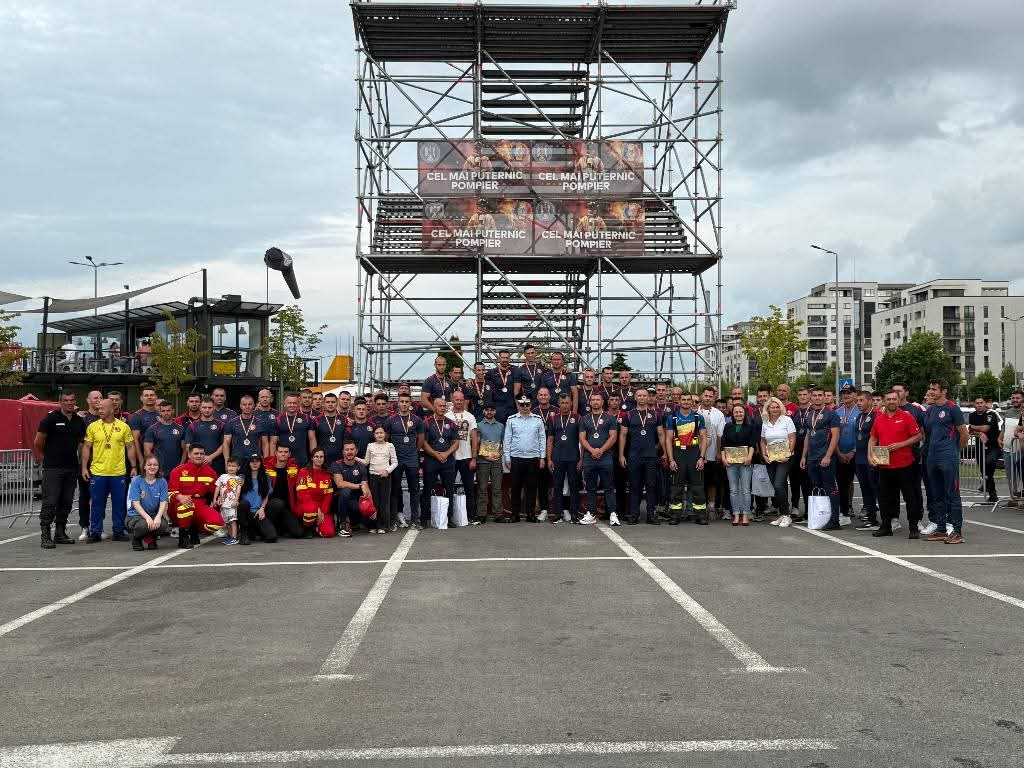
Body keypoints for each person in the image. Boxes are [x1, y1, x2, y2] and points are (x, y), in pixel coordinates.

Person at [81, 398, 139, 543]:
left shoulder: (123, 426)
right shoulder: (93, 426)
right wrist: (84, 467)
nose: (99, 410)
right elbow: (86, 447)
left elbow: (130, 447)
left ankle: (118, 530)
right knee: (96, 504)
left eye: (102, 408)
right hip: (98, 472)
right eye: (98, 408)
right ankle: (95, 532)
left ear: (112, 409)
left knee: (119, 504)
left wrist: (133, 466)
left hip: (118, 472)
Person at [868, 390, 924, 538]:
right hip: (884, 465)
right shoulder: (879, 419)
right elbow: (873, 439)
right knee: (885, 497)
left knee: (909, 497)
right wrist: (870, 455)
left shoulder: (907, 416)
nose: (891, 401)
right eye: (889, 399)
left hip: (904, 464)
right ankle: (886, 527)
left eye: (894, 399)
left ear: (898, 401)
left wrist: (901, 444)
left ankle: (913, 528)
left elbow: (918, 436)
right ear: (884, 401)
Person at [35, 392, 85, 549]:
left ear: (75, 401)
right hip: (53, 468)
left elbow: (81, 444)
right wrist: (47, 456)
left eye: (72, 400)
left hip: (71, 467)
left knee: (66, 501)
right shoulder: (50, 419)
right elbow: (38, 441)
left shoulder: (79, 421)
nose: (69, 403)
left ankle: (60, 533)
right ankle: (45, 535)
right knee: (50, 501)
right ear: (60, 402)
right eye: (66, 400)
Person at [922, 379, 968, 544]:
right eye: (930, 388)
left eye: (934, 389)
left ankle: (957, 531)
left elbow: (964, 434)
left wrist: (954, 451)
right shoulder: (931, 410)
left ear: (944, 391)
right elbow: (927, 433)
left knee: (952, 495)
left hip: (948, 457)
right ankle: (941, 529)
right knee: (937, 494)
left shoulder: (952, 408)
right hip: (932, 457)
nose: (931, 391)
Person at [799, 386, 842, 530]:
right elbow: (807, 435)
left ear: (824, 397)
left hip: (825, 457)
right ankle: (821, 516)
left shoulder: (831, 414)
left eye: (820, 395)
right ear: (811, 397)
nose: (817, 398)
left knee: (830, 488)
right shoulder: (810, 414)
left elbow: (835, 436)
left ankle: (835, 520)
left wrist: (828, 456)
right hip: (812, 458)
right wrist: (804, 456)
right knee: (816, 487)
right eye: (815, 395)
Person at [663, 392, 708, 525]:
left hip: (694, 452)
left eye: (689, 400)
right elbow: (668, 439)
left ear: (692, 402)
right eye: (684, 399)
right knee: (677, 486)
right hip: (678, 453)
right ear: (679, 401)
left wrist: (701, 457)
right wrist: (671, 459)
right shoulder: (672, 418)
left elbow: (704, 438)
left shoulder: (698, 418)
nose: (687, 402)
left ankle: (700, 515)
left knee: (697, 486)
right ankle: (675, 515)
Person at [167, 445, 223, 548]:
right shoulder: (178, 471)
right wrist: (179, 497)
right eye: (196, 453)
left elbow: (217, 490)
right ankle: (183, 537)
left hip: (201, 505)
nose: (199, 456)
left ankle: (194, 529)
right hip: (180, 505)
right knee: (185, 507)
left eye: (202, 454)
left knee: (217, 523)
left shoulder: (210, 472)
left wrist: (219, 496)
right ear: (189, 455)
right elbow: (169, 493)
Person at [502, 394, 546, 523]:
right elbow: (507, 439)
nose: (524, 407)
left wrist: (542, 457)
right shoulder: (511, 420)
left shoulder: (537, 419)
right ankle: (515, 515)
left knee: (531, 488)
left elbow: (542, 439)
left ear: (531, 405)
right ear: (518, 405)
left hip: (533, 458)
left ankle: (530, 514)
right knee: (515, 488)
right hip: (516, 458)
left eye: (527, 404)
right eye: (522, 404)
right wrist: (507, 458)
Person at [619, 388, 661, 525]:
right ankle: (634, 515)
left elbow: (661, 434)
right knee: (634, 486)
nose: (642, 398)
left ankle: (651, 515)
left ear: (648, 397)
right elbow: (623, 435)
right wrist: (621, 455)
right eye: (639, 395)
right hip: (634, 456)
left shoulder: (655, 414)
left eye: (644, 395)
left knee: (651, 486)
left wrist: (660, 450)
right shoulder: (628, 415)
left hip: (651, 457)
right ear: (635, 398)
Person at [384, 393, 425, 528]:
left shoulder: (417, 420)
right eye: (402, 401)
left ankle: (415, 520)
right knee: (395, 490)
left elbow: (421, 439)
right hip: (396, 460)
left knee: (414, 490)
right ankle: (394, 519)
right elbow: (386, 439)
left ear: (410, 403)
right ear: (398, 403)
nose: (404, 404)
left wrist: (414, 451)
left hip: (412, 459)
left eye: (407, 401)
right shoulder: (391, 420)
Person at [420, 396, 459, 529]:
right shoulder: (426, 423)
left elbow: (456, 443)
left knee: (449, 489)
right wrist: (436, 454)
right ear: (434, 407)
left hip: (448, 460)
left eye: (444, 406)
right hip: (431, 460)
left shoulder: (451, 423)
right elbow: (424, 443)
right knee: (427, 489)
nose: (442, 408)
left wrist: (446, 454)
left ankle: (449, 517)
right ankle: (424, 518)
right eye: (440, 406)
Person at [579, 392, 618, 525]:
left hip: (605, 457)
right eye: (593, 400)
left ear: (602, 402)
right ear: (590, 402)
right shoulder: (584, 419)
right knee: (590, 487)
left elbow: (613, 437)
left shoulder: (610, 418)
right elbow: (582, 438)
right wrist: (592, 450)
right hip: (589, 457)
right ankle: (591, 513)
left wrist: (601, 450)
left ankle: (613, 514)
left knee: (609, 487)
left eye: (598, 400)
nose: (595, 402)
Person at [761, 396, 797, 527]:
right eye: (772, 407)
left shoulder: (787, 420)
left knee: (778, 484)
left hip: (785, 458)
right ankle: (782, 514)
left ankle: (786, 515)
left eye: (777, 407)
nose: (775, 409)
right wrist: (764, 454)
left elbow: (792, 437)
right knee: (777, 485)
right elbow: (763, 441)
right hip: (771, 458)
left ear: (781, 408)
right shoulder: (765, 422)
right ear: (768, 409)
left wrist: (788, 454)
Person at [546, 393, 581, 524]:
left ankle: (574, 514)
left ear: (571, 403)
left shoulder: (578, 418)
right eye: (562, 403)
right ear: (558, 404)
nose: (565, 405)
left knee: (574, 486)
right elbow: (550, 440)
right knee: (558, 486)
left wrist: (581, 459)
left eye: (567, 403)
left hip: (573, 457)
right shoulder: (553, 419)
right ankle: (558, 514)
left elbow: (582, 440)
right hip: (557, 458)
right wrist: (549, 459)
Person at [721, 404, 757, 526]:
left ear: (745, 413)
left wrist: (749, 458)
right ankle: (736, 514)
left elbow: (752, 444)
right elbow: (723, 444)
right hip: (731, 463)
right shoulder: (728, 426)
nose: (738, 414)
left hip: (746, 462)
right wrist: (723, 458)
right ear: (732, 414)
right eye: (736, 412)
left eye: (740, 411)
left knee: (746, 490)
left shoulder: (750, 427)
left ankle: (745, 514)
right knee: (733, 490)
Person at [75, 390, 103, 540]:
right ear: (88, 400)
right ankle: (84, 527)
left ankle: (98, 527)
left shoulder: (106, 418)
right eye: (95, 397)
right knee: (85, 497)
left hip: (104, 465)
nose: (98, 400)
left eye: (101, 397)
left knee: (100, 498)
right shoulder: (83, 420)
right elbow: (81, 445)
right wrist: (83, 465)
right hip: (87, 465)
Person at [852, 390, 882, 531]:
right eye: (857, 401)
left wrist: (876, 458)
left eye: (861, 400)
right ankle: (871, 518)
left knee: (875, 488)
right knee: (865, 488)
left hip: (872, 457)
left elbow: (879, 438)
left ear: (870, 401)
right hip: (859, 458)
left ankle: (886, 519)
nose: (858, 403)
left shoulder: (877, 416)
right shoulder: (859, 416)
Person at [126, 456, 169, 551]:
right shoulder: (136, 480)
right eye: (149, 464)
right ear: (144, 466)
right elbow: (136, 503)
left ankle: (151, 539)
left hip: (154, 514)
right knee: (144, 525)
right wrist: (147, 517)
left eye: (155, 465)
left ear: (158, 467)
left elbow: (163, 502)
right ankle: (137, 539)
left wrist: (158, 517)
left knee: (162, 525)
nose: (152, 467)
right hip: (136, 515)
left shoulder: (162, 482)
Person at [331, 440, 371, 537]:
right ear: (343, 452)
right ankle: (342, 524)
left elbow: (365, 487)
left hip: (354, 500)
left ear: (356, 451)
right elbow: (340, 484)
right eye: (347, 450)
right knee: (346, 491)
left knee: (369, 520)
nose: (349, 452)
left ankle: (353, 521)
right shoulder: (336, 464)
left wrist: (370, 507)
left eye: (352, 449)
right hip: (338, 500)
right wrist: (359, 486)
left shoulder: (361, 466)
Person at [697, 386, 726, 519]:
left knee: (712, 482)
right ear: (701, 396)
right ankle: (698, 507)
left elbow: (720, 435)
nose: (708, 398)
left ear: (714, 398)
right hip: (695, 455)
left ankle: (711, 507)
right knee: (697, 482)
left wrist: (719, 452)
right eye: (706, 396)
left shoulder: (718, 414)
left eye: (710, 396)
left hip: (712, 454)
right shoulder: (694, 411)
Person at [450, 391, 479, 523]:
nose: (459, 402)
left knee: (469, 488)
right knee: (449, 488)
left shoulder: (470, 416)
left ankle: (471, 516)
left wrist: (474, 458)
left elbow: (474, 438)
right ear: (452, 400)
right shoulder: (447, 415)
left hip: (466, 457)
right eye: (457, 400)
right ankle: (449, 516)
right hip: (451, 457)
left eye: (461, 400)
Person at [834, 383, 861, 525]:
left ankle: (869, 511)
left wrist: (853, 451)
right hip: (840, 453)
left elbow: (864, 435)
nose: (846, 395)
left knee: (864, 483)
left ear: (855, 395)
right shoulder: (837, 412)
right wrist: (838, 452)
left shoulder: (860, 411)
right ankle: (844, 512)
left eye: (849, 393)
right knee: (842, 484)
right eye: (843, 393)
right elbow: (833, 435)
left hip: (857, 453)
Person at [294, 448, 336, 538]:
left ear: (324, 459)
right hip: (304, 505)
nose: (319, 459)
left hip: (321, 508)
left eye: (321, 457)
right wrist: (317, 509)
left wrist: (322, 513)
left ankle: (315, 526)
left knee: (328, 533)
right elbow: (302, 494)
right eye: (316, 456)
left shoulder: (327, 474)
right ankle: (307, 528)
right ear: (312, 458)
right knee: (311, 510)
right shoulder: (303, 472)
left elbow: (328, 497)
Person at [262, 445, 303, 538]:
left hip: (286, 507)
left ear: (289, 454)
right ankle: (266, 526)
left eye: (285, 452)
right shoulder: (266, 467)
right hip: (270, 505)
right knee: (277, 503)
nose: (283, 454)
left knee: (298, 533)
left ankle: (281, 528)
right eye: (280, 452)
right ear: (276, 453)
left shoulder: (295, 468)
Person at [363, 428, 398, 533]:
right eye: (377, 433)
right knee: (374, 501)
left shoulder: (390, 445)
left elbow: (395, 462)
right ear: (374, 435)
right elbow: (366, 462)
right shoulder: (370, 446)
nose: (379, 435)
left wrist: (387, 471)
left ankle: (383, 526)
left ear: (385, 434)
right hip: (373, 477)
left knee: (384, 502)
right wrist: (355, 458)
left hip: (385, 477)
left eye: (381, 433)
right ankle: (373, 525)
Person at [968, 396, 1001, 503]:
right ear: (974, 405)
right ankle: (992, 495)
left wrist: (973, 426)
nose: (979, 405)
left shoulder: (991, 414)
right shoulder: (972, 415)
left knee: (988, 464)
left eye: (981, 403)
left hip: (993, 445)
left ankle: (989, 488)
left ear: (985, 404)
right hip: (980, 446)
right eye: (977, 403)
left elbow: (986, 428)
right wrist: (979, 433)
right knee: (983, 470)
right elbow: (970, 431)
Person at [183, 396, 228, 475]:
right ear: (200, 408)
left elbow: (224, 444)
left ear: (214, 408)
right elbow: (188, 446)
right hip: (197, 464)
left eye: (209, 407)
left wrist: (211, 457)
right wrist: (200, 458)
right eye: (204, 407)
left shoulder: (221, 425)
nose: (207, 410)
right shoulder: (192, 426)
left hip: (216, 463)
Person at [269, 393, 315, 468]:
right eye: (289, 403)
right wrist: (272, 461)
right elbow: (273, 443)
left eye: (294, 403)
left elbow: (312, 439)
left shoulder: (307, 418)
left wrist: (314, 458)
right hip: (283, 460)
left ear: (298, 404)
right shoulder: (277, 420)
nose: (292, 405)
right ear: (284, 404)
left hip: (302, 460)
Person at [238, 454, 273, 545]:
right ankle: (243, 534)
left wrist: (262, 508)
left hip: (258, 512)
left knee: (271, 537)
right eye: (252, 461)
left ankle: (254, 532)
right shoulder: (241, 477)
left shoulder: (266, 477)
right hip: (245, 512)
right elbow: (231, 490)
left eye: (257, 461)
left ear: (261, 463)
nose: (254, 464)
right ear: (248, 463)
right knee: (243, 504)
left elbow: (266, 496)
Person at [144, 401, 186, 478]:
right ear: (159, 412)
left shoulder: (181, 429)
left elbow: (185, 450)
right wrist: (155, 467)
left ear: (173, 411)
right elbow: (147, 451)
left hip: (176, 469)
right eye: (163, 411)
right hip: (159, 470)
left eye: (168, 410)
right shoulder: (152, 429)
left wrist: (181, 466)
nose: (166, 413)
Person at [224, 395, 266, 465]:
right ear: (240, 406)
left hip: (255, 460)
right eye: (244, 404)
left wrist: (265, 461)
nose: (247, 407)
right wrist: (226, 461)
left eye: (249, 404)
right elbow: (226, 443)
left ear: (254, 405)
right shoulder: (231, 423)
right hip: (237, 460)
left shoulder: (260, 423)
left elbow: (265, 444)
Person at [790, 387, 812, 519]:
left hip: (809, 452)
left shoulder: (813, 411)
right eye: (800, 394)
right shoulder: (795, 413)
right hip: (795, 451)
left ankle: (809, 509)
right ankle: (794, 506)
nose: (802, 397)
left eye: (805, 394)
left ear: (809, 395)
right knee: (794, 480)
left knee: (806, 482)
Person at [213, 456, 242, 545]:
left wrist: (236, 500)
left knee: (232, 520)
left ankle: (234, 537)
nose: (231, 468)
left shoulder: (238, 479)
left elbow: (238, 490)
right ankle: (230, 536)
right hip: (223, 504)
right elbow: (217, 487)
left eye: (233, 466)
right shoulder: (222, 476)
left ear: (238, 468)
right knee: (227, 522)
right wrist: (215, 498)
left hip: (232, 504)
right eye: (229, 465)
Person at [1001, 389, 1023, 507]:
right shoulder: (1008, 412)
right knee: (1010, 475)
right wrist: (999, 439)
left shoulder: (1023, 413)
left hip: (1020, 450)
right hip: (1007, 449)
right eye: (1013, 398)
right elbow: (1003, 428)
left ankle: (1021, 500)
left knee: (1021, 475)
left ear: (1022, 399)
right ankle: (1012, 498)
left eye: (1017, 398)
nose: (1015, 400)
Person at [128, 387, 160, 466]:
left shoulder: (161, 414)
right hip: (146, 459)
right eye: (146, 395)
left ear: (156, 397)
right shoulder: (136, 416)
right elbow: (135, 441)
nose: (149, 397)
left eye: (152, 395)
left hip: (161, 456)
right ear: (141, 398)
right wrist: (141, 461)